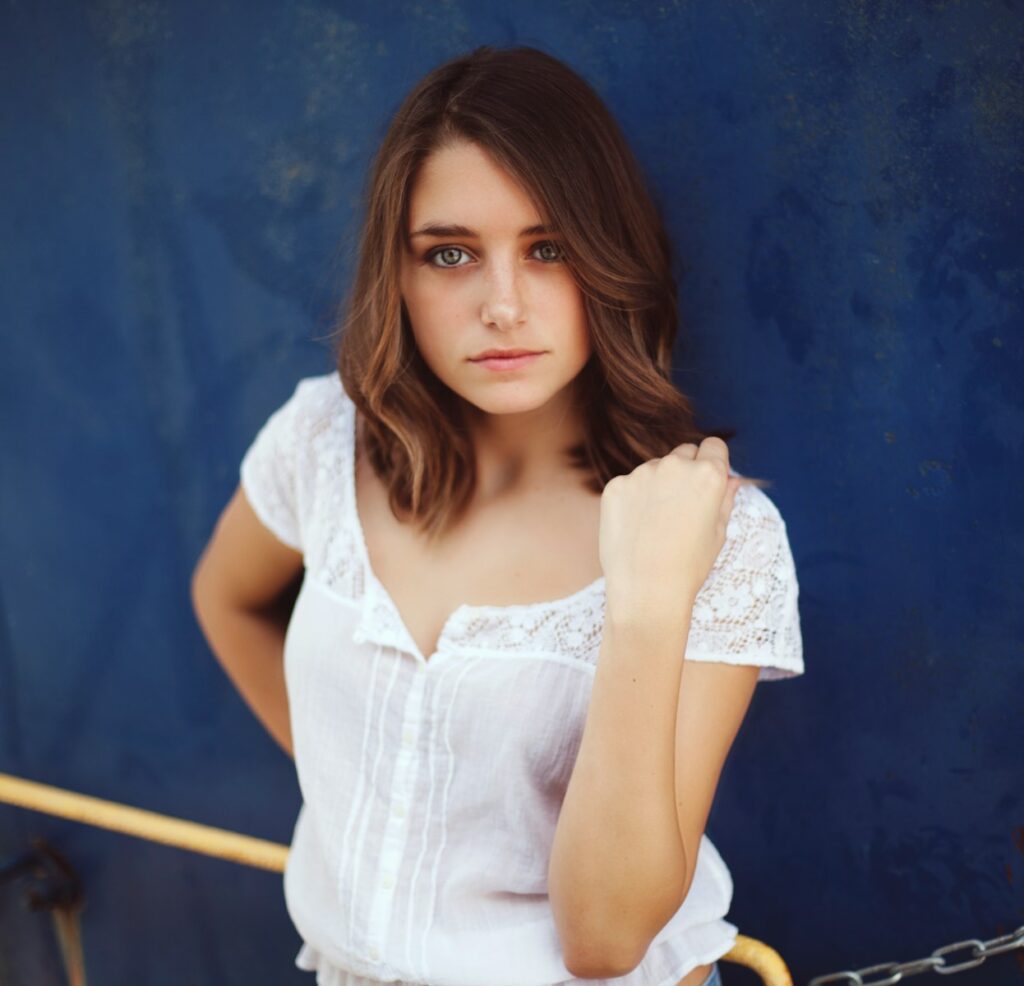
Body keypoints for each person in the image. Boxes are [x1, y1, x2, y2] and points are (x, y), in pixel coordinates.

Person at [191, 44, 803, 986]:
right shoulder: (323, 438)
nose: (503, 305)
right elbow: (226, 600)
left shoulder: (718, 538)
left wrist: (646, 600)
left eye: (547, 248)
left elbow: (605, 943)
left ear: (609, 256)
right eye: (450, 254)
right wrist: (370, 795)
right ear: (395, 275)